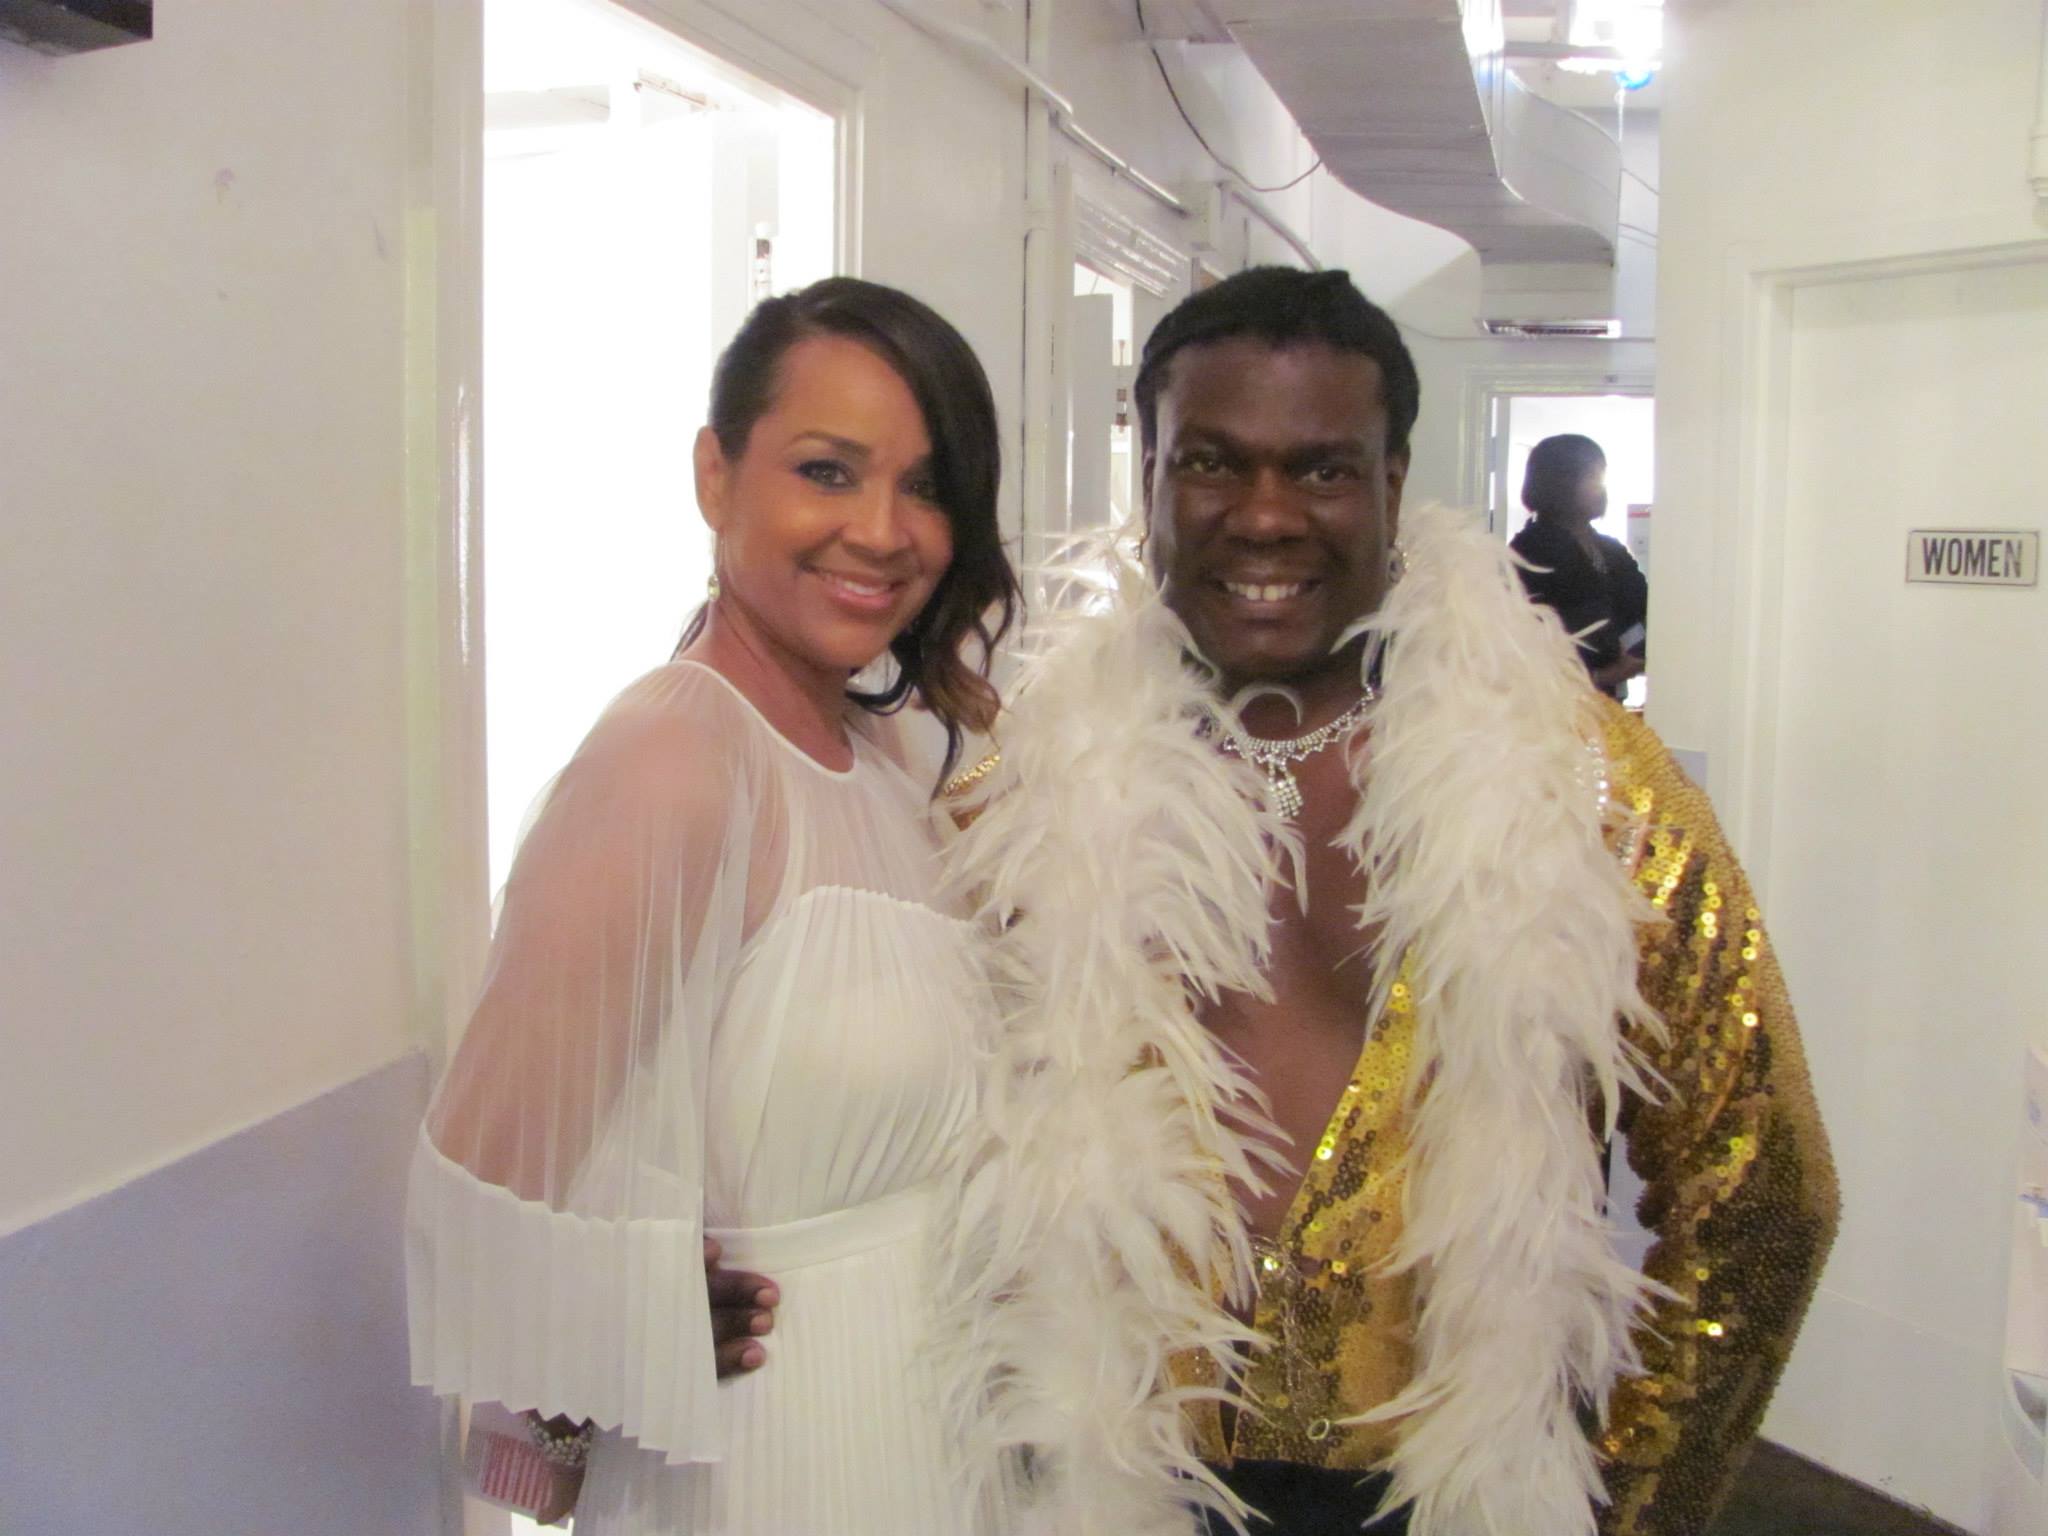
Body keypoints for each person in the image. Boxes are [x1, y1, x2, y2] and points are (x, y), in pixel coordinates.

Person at [939, 267, 1837, 1536]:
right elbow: (895, 1106)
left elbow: (1765, 1197)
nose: (1263, 517)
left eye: (1319, 470)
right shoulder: (1024, 788)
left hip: (1459, 1489)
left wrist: (1624, 1507)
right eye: (1211, 462)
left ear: (1393, 484)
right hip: (1111, 1480)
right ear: (1147, 475)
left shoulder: (1578, 785)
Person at [405, 276, 1020, 1533]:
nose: (883, 531)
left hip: (941, 1435)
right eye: (828, 471)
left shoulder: (894, 759)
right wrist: (618, 1308)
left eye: (926, 486)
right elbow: (487, 1171)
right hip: (779, 1455)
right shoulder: (675, 758)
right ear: (714, 476)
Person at [1510, 433, 1649, 699]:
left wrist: (1634, 656)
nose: (1600, 487)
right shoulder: (1531, 549)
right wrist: (1602, 675)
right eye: (1590, 476)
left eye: (1601, 476)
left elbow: (1641, 608)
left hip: (1610, 702)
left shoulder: (1610, 549)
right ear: (1560, 482)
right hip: (1553, 706)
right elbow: (1525, 645)